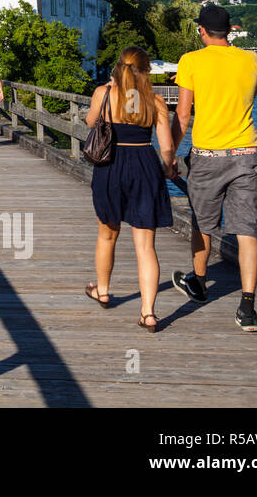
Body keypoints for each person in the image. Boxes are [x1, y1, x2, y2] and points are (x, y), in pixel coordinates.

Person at [170, 4, 257, 332]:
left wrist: (169, 154)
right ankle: (248, 308)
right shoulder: (251, 60)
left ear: (201, 31)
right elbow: (245, 98)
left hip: (208, 155)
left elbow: (182, 115)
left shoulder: (191, 61)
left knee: (203, 224)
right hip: (246, 153)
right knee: (247, 231)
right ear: (230, 31)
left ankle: (198, 282)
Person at [84, 47, 177, 333]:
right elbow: (167, 146)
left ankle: (102, 290)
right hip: (144, 164)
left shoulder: (104, 93)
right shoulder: (156, 100)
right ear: (147, 70)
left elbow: (90, 123)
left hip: (111, 164)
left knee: (107, 234)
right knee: (146, 246)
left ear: (117, 68)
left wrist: (109, 93)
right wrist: (169, 167)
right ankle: (148, 313)